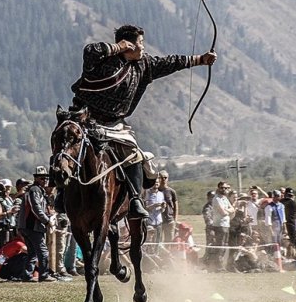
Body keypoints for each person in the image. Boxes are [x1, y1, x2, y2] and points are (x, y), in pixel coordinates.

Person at [69, 24, 217, 220]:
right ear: (128, 45)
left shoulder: (143, 64)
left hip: (115, 123)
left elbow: (170, 62)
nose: (143, 47)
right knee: (66, 146)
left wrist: (201, 60)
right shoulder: (101, 61)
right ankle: (63, 194)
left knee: (134, 155)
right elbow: (90, 50)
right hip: (86, 118)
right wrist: (119, 47)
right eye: (140, 43)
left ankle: (135, 200)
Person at [17, 166, 57, 282]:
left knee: (32, 253)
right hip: (32, 226)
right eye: (42, 178)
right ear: (36, 178)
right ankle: (43, 275)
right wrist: (47, 220)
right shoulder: (35, 190)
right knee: (43, 251)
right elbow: (36, 208)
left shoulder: (37, 190)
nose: (44, 180)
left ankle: (27, 275)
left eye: (46, 178)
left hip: (27, 226)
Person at [209, 182, 235, 271]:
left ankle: (221, 264)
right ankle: (217, 265)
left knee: (225, 245)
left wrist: (227, 210)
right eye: (222, 188)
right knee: (220, 245)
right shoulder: (216, 199)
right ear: (218, 188)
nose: (224, 189)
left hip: (226, 224)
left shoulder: (224, 198)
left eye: (225, 188)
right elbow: (222, 212)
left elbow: (232, 209)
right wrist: (228, 211)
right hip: (219, 225)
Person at [157, 171, 178, 243]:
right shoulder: (155, 191)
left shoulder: (171, 191)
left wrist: (175, 219)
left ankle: (169, 254)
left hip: (169, 220)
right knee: (158, 240)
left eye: (165, 177)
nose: (163, 179)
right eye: (161, 177)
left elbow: (175, 206)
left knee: (169, 240)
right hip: (158, 220)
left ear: (167, 178)